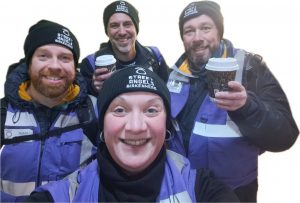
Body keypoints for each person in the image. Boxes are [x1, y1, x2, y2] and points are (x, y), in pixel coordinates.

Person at [24, 66, 239, 202]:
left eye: (151, 110)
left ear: (166, 124)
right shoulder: (64, 195)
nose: (136, 126)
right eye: (119, 110)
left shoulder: (201, 188)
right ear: (103, 126)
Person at [166, 1, 299, 202]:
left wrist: (247, 108)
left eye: (205, 28)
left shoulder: (250, 69)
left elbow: (285, 135)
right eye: (189, 31)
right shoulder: (174, 75)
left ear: (219, 31)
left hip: (235, 193)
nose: (197, 38)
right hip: (183, 191)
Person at [0, 19, 99, 202]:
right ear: (29, 64)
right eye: (43, 56)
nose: (55, 66)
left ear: (74, 66)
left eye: (65, 58)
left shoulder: (94, 111)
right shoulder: (4, 112)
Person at [79, 0, 170, 96]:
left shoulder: (154, 56)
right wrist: (93, 88)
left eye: (127, 24)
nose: (122, 32)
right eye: (114, 26)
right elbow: (81, 102)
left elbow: (169, 94)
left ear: (136, 28)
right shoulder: (91, 63)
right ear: (107, 31)